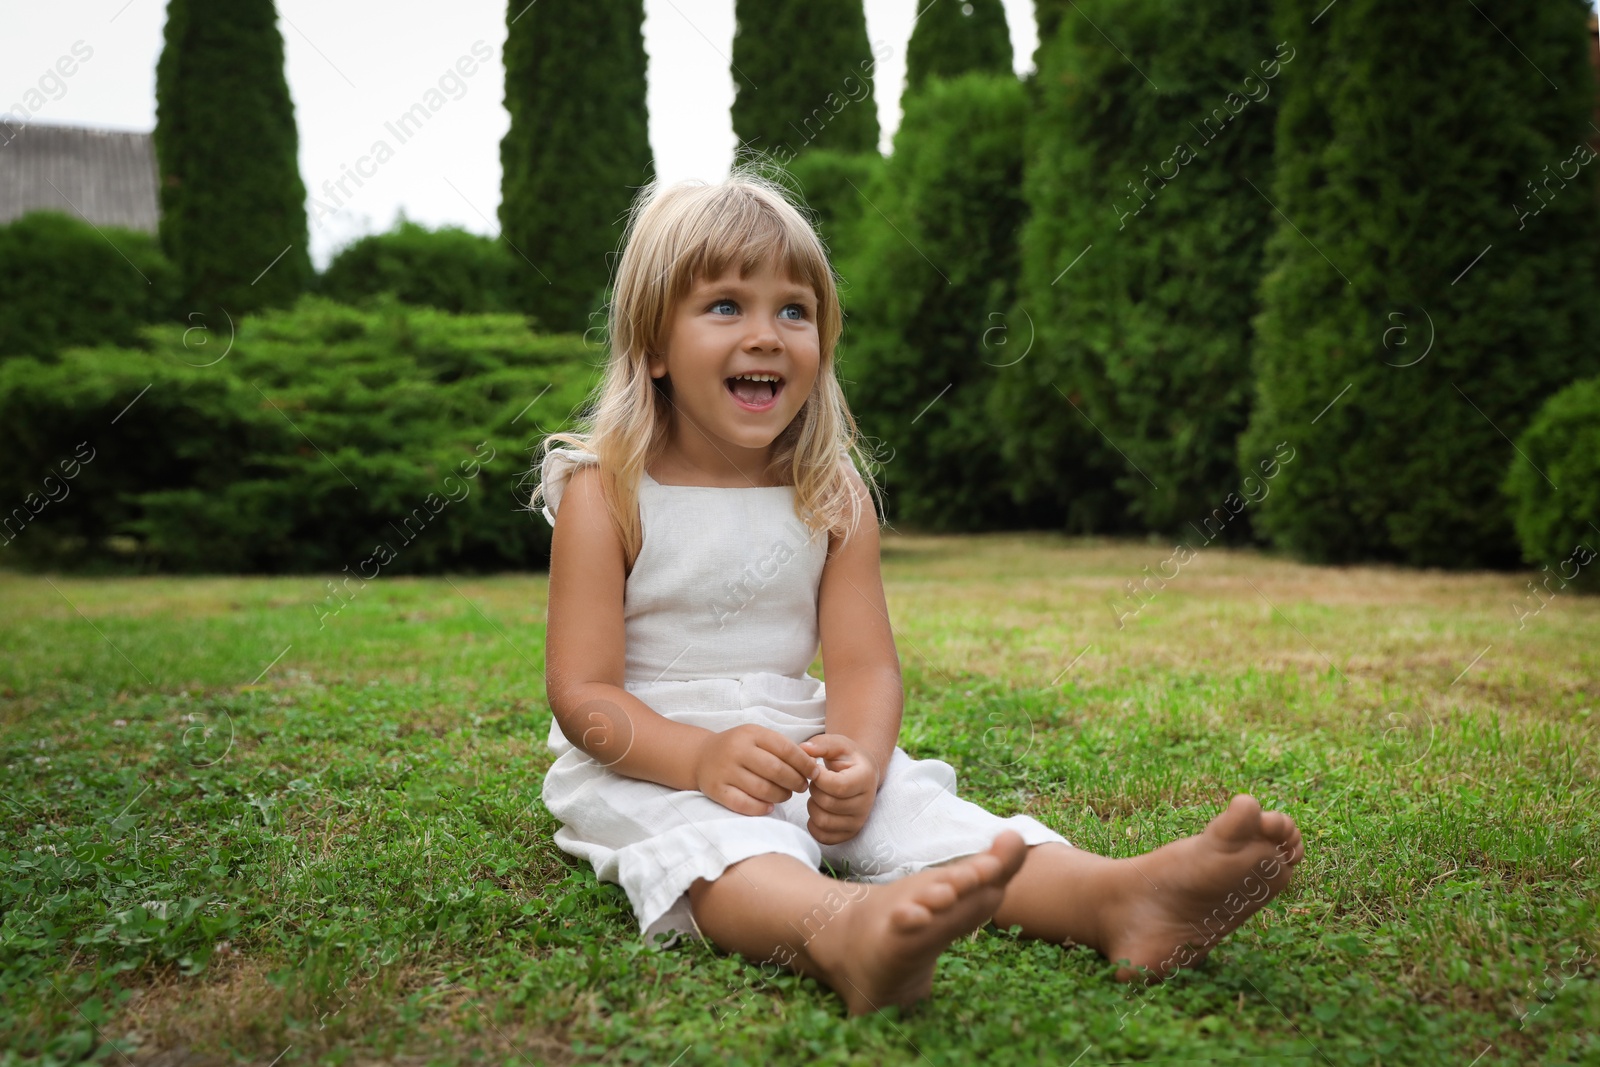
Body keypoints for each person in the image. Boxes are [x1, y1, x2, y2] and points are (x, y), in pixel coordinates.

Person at [531, 163, 1305, 1018]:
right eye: (725, 306)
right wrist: (698, 759)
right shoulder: (607, 493)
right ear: (651, 345)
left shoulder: (829, 494)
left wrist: (859, 758)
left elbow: (865, 669)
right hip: (648, 760)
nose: (767, 334)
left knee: (923, 816)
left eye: (795, 309)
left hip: (800, 742)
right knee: (721, 849)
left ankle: (1116, 897)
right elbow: (584, 694)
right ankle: (844, 934)